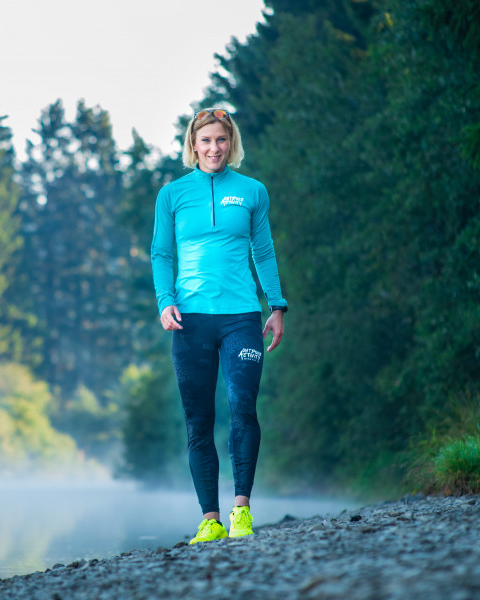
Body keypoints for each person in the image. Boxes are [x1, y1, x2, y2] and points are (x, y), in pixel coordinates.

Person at [150, 108, 287, 544]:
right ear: (193, 145)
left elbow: (263, 252)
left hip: (240, 317)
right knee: (198, 421)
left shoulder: (252, 191)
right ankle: (210, 519)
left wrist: (277, 305)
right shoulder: (172, 195)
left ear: (232, 144)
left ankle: (241, 511)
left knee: (243, 407)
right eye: (205, 140)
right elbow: (161, 255)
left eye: (221, 140)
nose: (214, 148)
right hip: (190, 322)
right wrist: (165, 301)